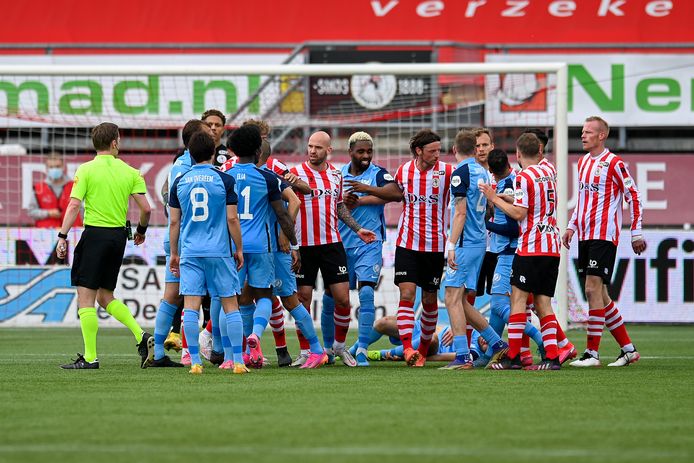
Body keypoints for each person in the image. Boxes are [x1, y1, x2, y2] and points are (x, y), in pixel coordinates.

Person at [57, 122, 153, 370]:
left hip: (95, 235)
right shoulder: (130, 172)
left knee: (85, 298)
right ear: (114, 142)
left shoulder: (86, 170)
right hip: (118, 237)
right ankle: (141, 335)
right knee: (105, 296)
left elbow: (74, 206)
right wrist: (141, 231)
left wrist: (62, 235)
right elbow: (146, 209)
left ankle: (90, 358)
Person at [563, 116, 645, 367]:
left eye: (588, 132)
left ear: (601, 136)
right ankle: (628, 349)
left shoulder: (614, 164)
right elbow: (581, 200)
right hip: (586, 235)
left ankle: (592, 354)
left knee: (591, 288)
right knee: (601, 294)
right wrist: (571, 226)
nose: (582, 135)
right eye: (582, 131)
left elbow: (634, 196)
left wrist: (636, 232)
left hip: (604, 234)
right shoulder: (583, 163)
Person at [364, 129, 451, 367]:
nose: (437, 154)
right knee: (407, 295)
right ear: (419, 151)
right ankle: (408, 348)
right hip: (406, 243)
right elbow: (389, 196)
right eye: (432, 151)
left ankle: (422, 351)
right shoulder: (404, 171)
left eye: (439, 150)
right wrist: (362, 198)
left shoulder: (447, 172)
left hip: (434, 246)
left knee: (430, 300)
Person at [289, 131, 376, 368]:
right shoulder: (295, 174)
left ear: (328, 151)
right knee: (303, 299)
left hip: (332, 245)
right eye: (309, 146)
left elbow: (339, 208)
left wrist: (358, 229)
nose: (312, 150)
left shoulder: (336, 175)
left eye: (318, 147)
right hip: (304, 246)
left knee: (343, 299)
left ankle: (338, 346)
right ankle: (306, 350)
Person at [482, 133, 563, 370]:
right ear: (540, 151)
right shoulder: (549, 170)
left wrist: (492, 198)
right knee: (543, 304)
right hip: (552, 246)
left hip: (531, 246)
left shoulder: (523, 178)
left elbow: (519, 213)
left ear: (517, 155)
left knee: (517, 300)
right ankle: (552, 357)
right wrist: (502, 195)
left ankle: (514, 356)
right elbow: (528, 199)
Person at [168, 130, 247, 375]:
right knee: (230, 305)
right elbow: (232, 218)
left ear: (189, 153)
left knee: (190, 306)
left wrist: (174, 253)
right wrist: (239, 248)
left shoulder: (179, 181)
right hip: (219, 252)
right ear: (213, 153)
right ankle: (238, 362)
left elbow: (174, 223)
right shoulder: (224, 180)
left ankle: (194, 362)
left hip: (191, 252)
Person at [225, 125, 302, 369]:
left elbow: (225, 216)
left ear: (233, 150)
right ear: (259, 150)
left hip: (233, 246)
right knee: (265, 296)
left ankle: (231, 355)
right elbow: (284, 212)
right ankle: (256, 336)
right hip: (262, 245)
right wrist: (293, 242)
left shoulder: (225, 175)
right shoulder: (268, 176)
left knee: (233, 299)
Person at [442, 130, 508, 370]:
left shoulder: (461, 173)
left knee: (451, 297)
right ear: (474, 148)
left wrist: (451, 245)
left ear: (454, 149)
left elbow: (460, 213)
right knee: (461, 301)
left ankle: (462, 356)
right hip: (480, 241)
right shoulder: (483, 172)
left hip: (464, 244)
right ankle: (497, 343)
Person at [151, 119, 212, 368]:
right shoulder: (190, 168)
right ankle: (196, 350)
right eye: (206, 133)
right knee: (203, 296)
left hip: (180, 238)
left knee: (173, 296)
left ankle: (157, 351)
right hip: (190, 240)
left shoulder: (179, 166)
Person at [338, 131, 402, 366]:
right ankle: (329, 349)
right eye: (361, 151)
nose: (366, 156)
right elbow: (334, 203)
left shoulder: (378, 173)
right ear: (350, 152)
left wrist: (365, 191)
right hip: (341, 244)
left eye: (369, 151)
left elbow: (395, 193)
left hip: (369, 243)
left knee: (366, 292)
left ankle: (362, 348)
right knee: (333, 298)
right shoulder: (338, 174)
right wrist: (348, 200)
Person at [28, 153, 83, 229]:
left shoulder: (74, 186)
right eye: (51, 167)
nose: (54, 169)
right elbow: (31, 212)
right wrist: (48, 213)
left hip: (72, 233)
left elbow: (83, 210)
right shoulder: (38, 188)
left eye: (57, 166)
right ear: (46, 169)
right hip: (46, 234)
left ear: (63, 167)